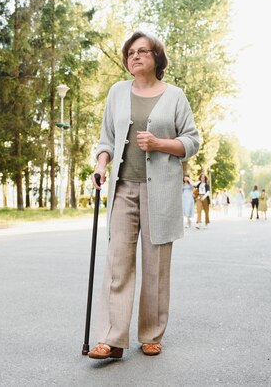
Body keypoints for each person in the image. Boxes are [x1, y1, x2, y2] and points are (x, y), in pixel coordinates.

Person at [88, 31, 200, 359]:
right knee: (118, 264)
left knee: (155, 267)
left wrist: (159, 144)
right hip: (123, 188)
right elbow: (106, 138)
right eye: (130, 53)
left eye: (143, 51)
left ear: (156, 57)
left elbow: (192, 141)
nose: (135, 56)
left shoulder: (175, 96)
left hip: (161, 191)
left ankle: (151, 333)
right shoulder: (117, 93)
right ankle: (112, 339)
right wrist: (101, 164)